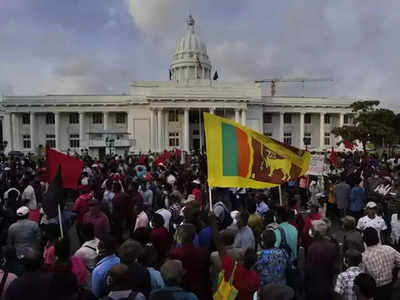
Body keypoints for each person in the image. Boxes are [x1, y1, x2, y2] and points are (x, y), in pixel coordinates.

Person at [209, 213, 259, 300]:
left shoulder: (233, 270)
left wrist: (213, 224)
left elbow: (219, 246)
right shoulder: (255, 277)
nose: (237, 222)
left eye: (238, 220)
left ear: (242, 261)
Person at [169, 223, 210, 300]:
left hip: (181, 289)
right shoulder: (204, 252)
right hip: (200, 289)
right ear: (194, 236)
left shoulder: (174, 253)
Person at [304, 219, 339, 300]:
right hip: (327, 283)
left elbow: (308, 270)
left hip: (314, 285)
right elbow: (335, 267)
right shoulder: (332, 246)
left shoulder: (312, 248)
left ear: (317, 233)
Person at [361, 227, 400, 300]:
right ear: (377, 237)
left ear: (364, 241)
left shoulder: (364, 257)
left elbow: (363, 276)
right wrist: (396, 271)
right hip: (390, 285)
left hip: (375, 289)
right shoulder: (388, 249)